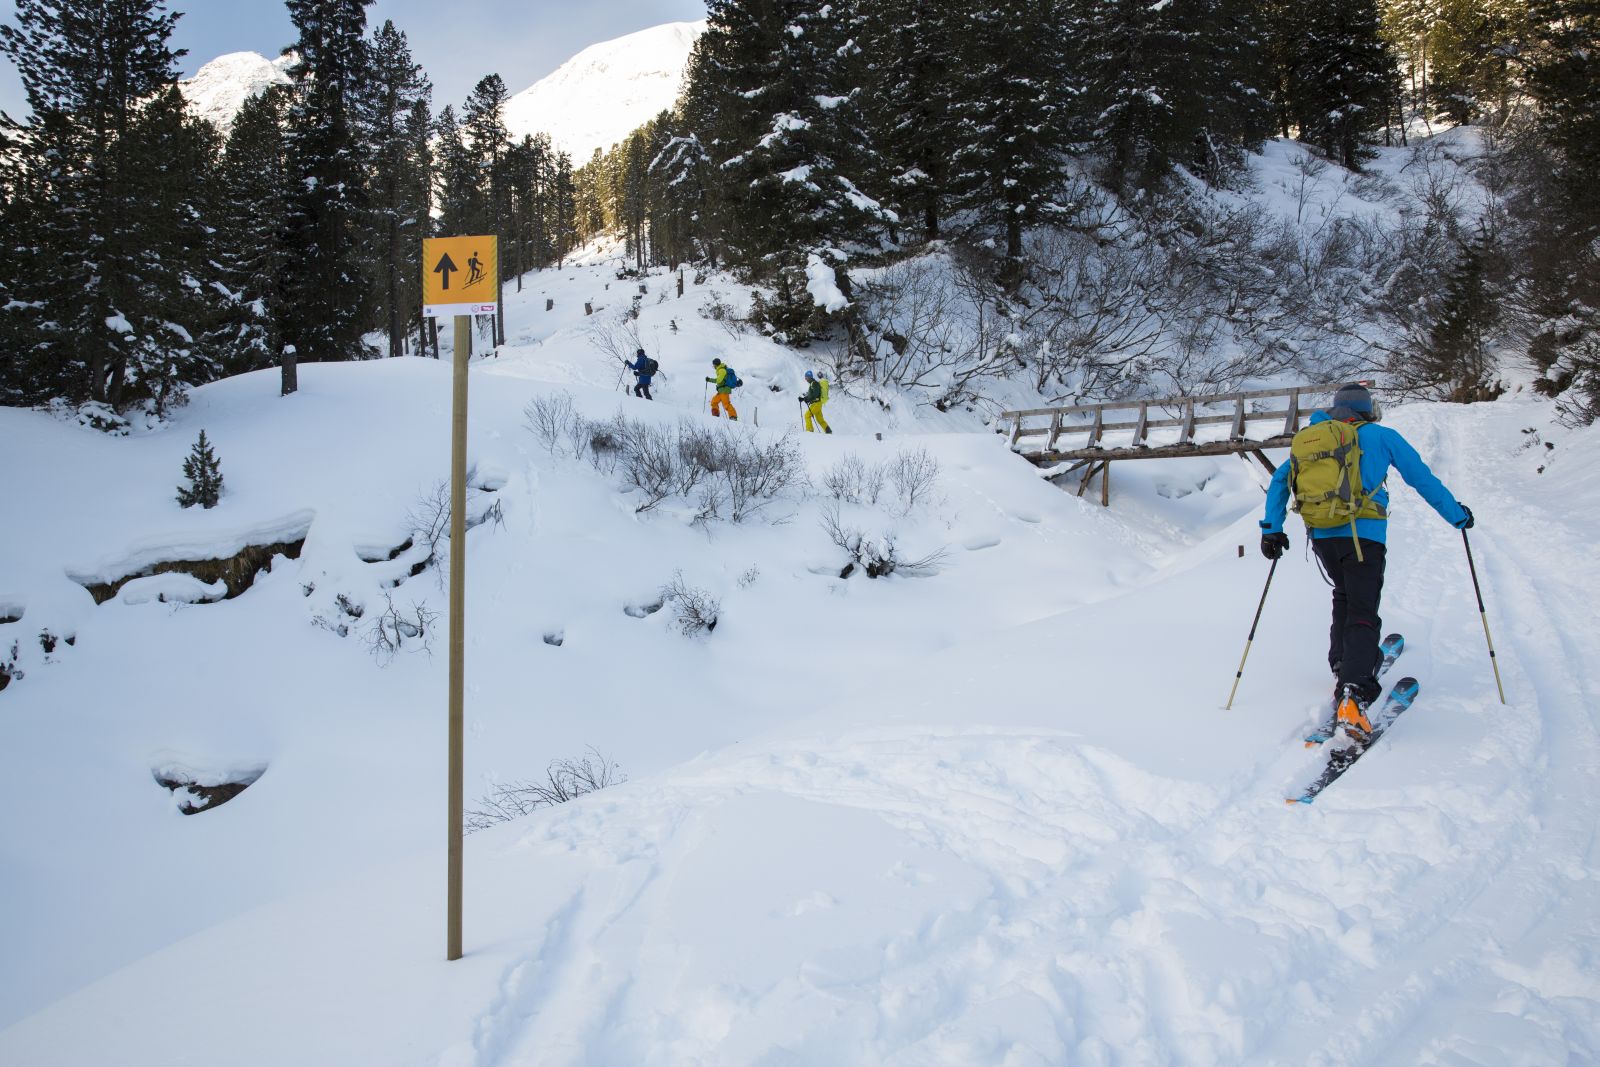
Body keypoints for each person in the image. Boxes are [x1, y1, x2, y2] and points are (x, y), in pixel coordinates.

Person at [1259, 382, 1474, 737]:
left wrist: (1271, 529)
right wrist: (1456, 515)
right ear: (1367, 409)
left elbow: (1281, 480)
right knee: (1362, 607)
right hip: (1364, 537)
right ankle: (1354, 691)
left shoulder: (1314, 439)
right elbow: (1422, 478)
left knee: (1343, 593)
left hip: (1322, 536)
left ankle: (1344, 662)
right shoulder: (1380, 436)